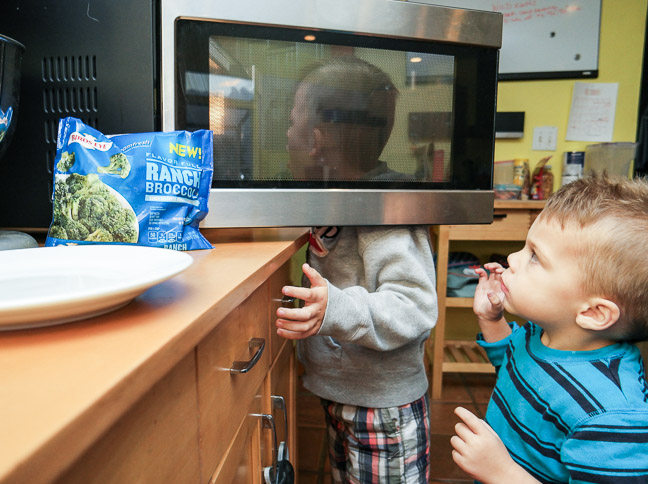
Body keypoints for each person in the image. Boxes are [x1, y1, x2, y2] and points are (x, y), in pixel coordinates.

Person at [277, 55, 438, 483]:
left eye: (291, 122)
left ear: (314, 139)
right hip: (341, 390)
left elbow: (414, 306)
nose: (286, 134)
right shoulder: (329, 195)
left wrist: (334, 309)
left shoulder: (384, 208)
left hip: (383, 406)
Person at [450, 173, 648, 483]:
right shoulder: (542, 334)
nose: (512, 258)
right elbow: (515, 364)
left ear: (594, 312)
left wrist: (501, 473)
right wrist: (492, 320)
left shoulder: (614, 417)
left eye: (535, 257)